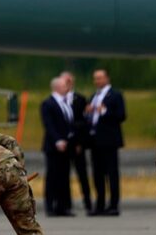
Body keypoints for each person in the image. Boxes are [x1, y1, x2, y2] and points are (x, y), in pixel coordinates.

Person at [85, 69, 126, 216]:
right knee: (97, 174)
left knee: (112, 173)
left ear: (107, 78)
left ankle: (113, 205)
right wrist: (88, 112)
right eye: (95, 78)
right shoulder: (93, 96)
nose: (97, 81)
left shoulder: (115, 95)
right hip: (95, 141)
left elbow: (121, 115)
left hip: (109, 141)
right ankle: (100, 204)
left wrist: (104, 111)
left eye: (100, 78)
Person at [40, 76, 74, 216]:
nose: (67, 87)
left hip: (66, 146)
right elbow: (49, 125)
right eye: (65, 85)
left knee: (64, 176)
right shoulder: (48, 103)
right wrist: (58, 140)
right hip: (54, 146)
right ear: (57, 87)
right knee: (53, 175)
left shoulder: (65, 103)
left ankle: (63, 206)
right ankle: (50, 205)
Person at [61, 71, 92, 213]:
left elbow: (84, 122)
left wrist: (80, 142)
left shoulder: (80, 99)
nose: (67, 84)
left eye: (69, 81)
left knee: (82, 174)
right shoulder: (57, 100)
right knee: (64, 175)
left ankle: (88, 202)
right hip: (63, 144)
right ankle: (66, 204)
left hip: (77, 143)